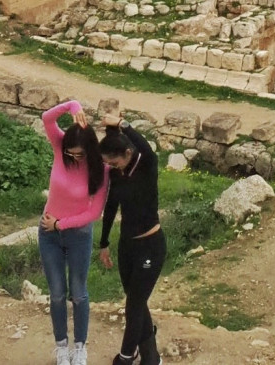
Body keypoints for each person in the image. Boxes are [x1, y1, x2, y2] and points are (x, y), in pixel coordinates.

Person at [39, 100, 109, 365]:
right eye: (70, 154)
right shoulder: (60, 147)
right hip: (48, 233)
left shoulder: (100, 169)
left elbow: (94, 213)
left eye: (79, 154)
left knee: (78, 293)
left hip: (77, 234)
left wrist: (61, 224)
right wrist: (72, 105)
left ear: (89, 150)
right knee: (57, 293)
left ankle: (80, 347)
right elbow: (47, 118)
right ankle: (61, 347)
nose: (74, 158)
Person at [98, 113, 166, 365]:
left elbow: (147, 148)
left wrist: (122, 123)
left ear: (127, 153)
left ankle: (126, 357)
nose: (112, 168)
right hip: (127, 246)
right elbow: (111, 207)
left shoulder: (146, 164)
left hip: (150, 245)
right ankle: (150, 357)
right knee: (135, 301)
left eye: (114, 163)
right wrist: (104, 243)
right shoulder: (117, 174)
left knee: (134, 305)